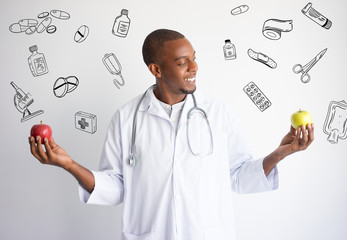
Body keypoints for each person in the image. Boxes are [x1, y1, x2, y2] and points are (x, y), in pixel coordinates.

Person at [29, 29, 314, 240]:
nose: (194, 68)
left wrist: (281, 153)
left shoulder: (217, 113)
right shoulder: (127, 118)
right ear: (156, 69)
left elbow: (238, 175)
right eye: (182, 62)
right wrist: (69, 165)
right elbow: (115, 186)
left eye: (193, 59)